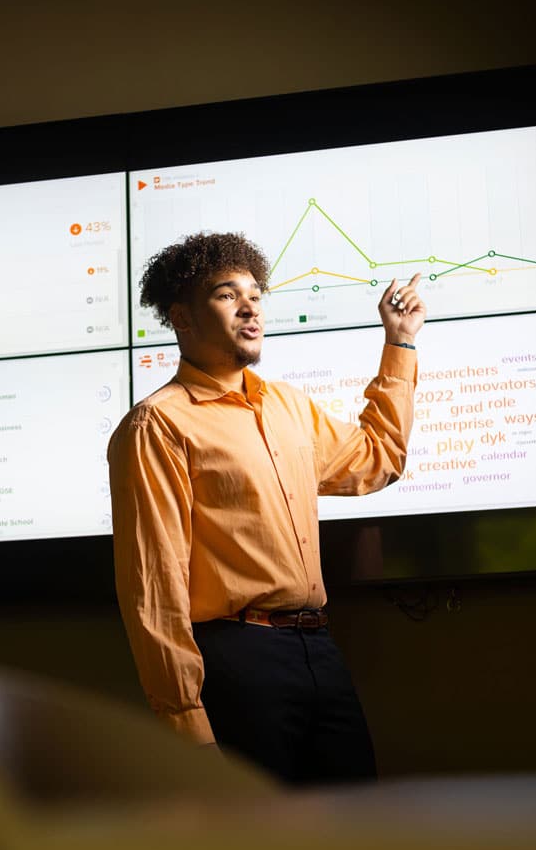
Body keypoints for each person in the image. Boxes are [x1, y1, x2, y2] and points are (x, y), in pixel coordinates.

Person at [108, 231, 425, 786]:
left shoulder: (285, 404)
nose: (250, 306)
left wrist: (399, 343)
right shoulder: (157, 426)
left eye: (256, 293)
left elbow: (378, 459)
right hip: (235, 662)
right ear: (182, 317)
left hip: (318, 650)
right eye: (228, 294)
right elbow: (154, 589)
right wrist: (187, 725)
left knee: (358, 839)